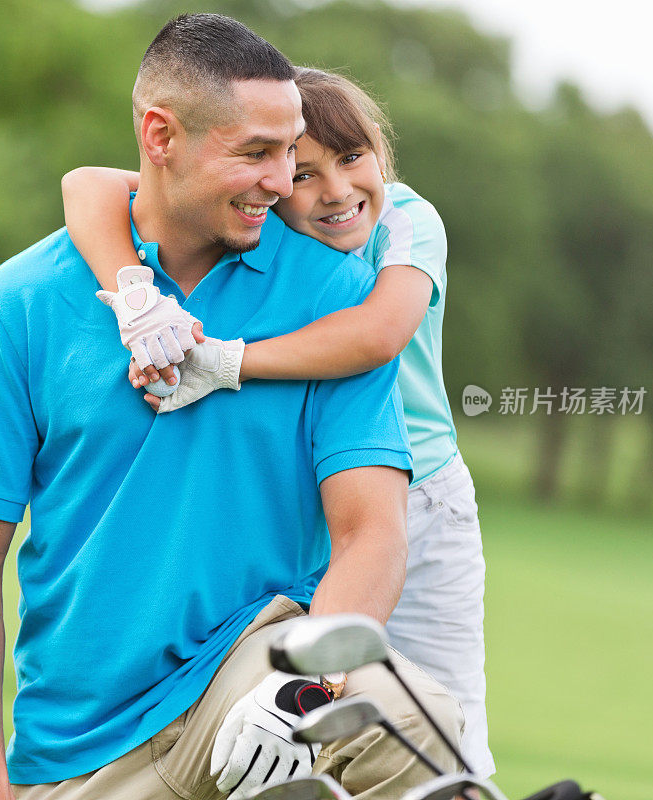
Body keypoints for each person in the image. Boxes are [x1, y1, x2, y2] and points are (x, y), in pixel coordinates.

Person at [0, 13, 463, 800]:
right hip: (82, 754)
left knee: (410, 719)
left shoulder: (334, 296)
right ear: (160, 136)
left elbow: (372, 531)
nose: (284, 183)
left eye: (290, 152)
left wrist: (307, 684)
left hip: (252, 676)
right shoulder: (26, 301)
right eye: (256, 153)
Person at [61, 67, 493, 776]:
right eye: (305, 171)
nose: (335, 191)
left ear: (381, 154)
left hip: (418, 507)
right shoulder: (265, 220)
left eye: (353, 158)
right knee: (305, 735)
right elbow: (86, 185)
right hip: (308, 506)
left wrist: (224, 361)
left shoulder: (408, 219)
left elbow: (378, 333)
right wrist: (136, 295)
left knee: (441, 742)